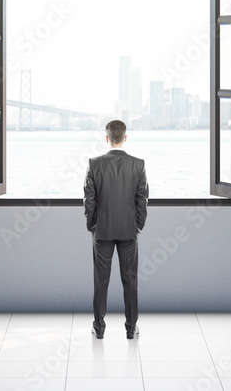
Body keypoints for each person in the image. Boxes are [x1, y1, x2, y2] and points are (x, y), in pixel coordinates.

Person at [83, 119, 148, 339]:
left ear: (107, 137)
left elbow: (89, 200)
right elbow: (142, 199)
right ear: (125, 137)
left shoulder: (94, 163)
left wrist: (92, 225)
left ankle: (99, 329)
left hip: (102, 230)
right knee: (130, 280)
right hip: (129, 230)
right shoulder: (138, 164)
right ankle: (131, 329)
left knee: (101, 281)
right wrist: (138, 224)